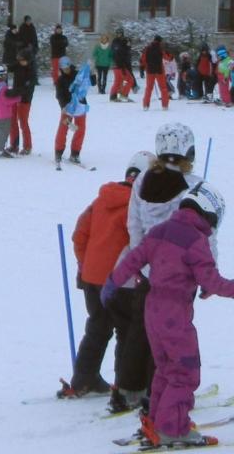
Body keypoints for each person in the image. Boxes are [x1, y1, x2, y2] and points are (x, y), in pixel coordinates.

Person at [102, 181, 230, 448]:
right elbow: (212, 279)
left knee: (166, 369)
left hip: (152, 309)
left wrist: (113, 282)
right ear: (207, 212)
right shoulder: (196, 240)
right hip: (175, 316)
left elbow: (134, 259)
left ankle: (159, 421)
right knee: (185, 373)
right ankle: (173, 429)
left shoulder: (160, 231)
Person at [58, 151, 154, 401]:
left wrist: (86, 265)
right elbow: (142, 244)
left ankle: (84, 379)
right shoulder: (141, 205)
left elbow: (80, 234)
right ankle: (126, 386)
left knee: (98, 328)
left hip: (92, 278)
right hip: (122, 282)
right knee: (128, 332)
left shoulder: (101, 200)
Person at [54, 57, 89, 167]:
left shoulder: (79, 75)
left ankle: (75, 153)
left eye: (67, 67)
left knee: (80, 129)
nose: (66, 70)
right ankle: (58, 152)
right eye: (63, 68)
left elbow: (90, 82)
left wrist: (91, 73)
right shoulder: (60, 80)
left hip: (80, 105)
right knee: (63, 129)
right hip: (67, 107)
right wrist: (63, 106)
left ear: (70, 66)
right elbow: (59, 95)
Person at [7, 49, 36, 155]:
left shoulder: (31, 71)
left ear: (28, 60)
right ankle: (14, 145)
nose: (21, 62)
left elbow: (27, 88)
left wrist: (15, 92)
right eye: (20, 60)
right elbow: (8, 68)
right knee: (12, 121)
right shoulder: (18, 65)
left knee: (23, 122)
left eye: (23, 60)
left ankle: (27, 146)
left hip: (25, 100)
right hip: (15, 97)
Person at [142, 35, 170, 111]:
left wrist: (143, 68)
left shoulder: (147, 48)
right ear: (160, 41)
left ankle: (145, 105)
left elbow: (143, 59)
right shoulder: (161, 48)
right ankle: (165, 105)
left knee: (148, 88)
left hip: (150, 70)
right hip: (159, 70)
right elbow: (168, 58)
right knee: (163, 88)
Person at [110, 29, 135, 102]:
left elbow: (126, 52)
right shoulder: (117, 42)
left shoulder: (118, 42)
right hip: (120, 65)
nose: (119, 34)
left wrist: (128, 45)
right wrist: (126, 45)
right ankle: (123, 95)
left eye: (120, 33)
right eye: (118, 33)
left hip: (118, 65)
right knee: (130, 80)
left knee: (118, 81)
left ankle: (113, 96)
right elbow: (120, 53)